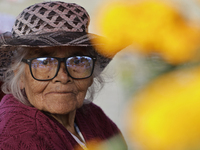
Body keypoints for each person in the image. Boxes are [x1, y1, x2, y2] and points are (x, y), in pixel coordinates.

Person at [0, 1, 127, 150]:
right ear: (19, 74)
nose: (63, 76)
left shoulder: (93, 115)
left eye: (78, 61)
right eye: (45, 62)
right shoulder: (16, 136)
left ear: (92, 73)